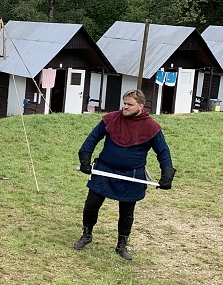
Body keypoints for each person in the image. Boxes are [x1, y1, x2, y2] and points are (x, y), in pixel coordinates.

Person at [73, 89, 175, 260]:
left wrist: (167, 174)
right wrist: (85, 160)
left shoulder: (152, 127)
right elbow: (92, 138)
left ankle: (121, 245)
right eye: (124, 103)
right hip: (105, 169)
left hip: (132, 175)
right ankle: (87, 234)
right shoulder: (111, 119)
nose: (125, 107)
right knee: (91, 204)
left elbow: (163, 151)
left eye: (130, 104)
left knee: (127, 212)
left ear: (141, 106)